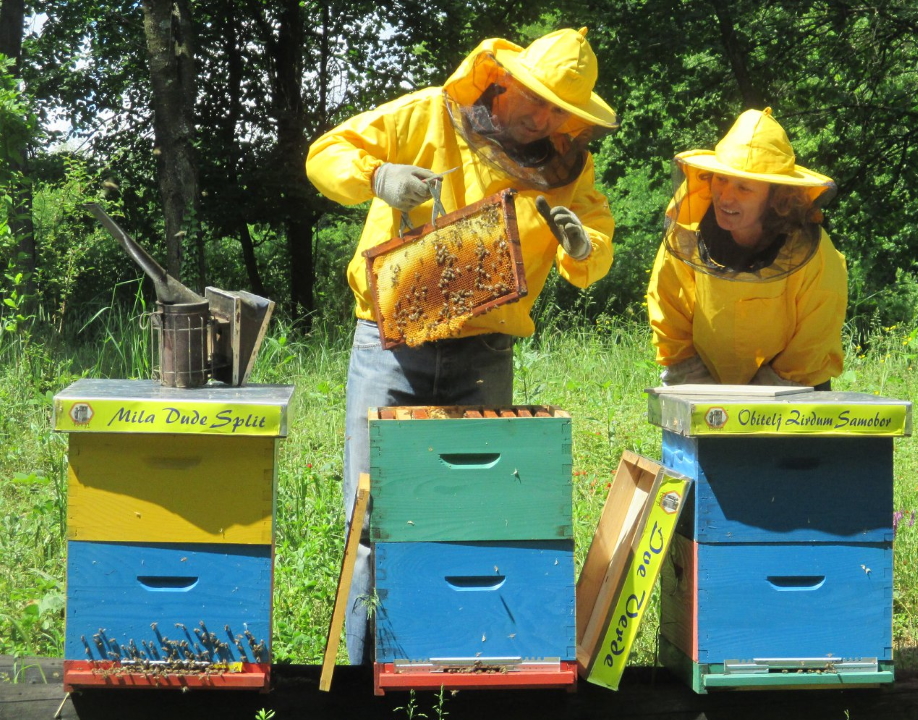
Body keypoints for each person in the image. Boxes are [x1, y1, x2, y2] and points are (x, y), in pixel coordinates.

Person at [305, 28, 617, 664]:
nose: (542, 116)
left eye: (560, 108)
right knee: (373, 515)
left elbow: (596, 236)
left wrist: (585, 247)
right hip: (392, 345)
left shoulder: (564, 165)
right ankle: (368, 673)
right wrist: (377, 175)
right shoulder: (426, 114)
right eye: (534, 97)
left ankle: (451, 665)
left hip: (485, 351)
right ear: (504, 79)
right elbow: (325, 154)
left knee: (474, 517)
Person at [646, 108, 847, 389]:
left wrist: (770, 389)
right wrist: (693, 377)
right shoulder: (687, 237)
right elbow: (669, 308)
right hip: (703, 382)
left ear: (775, 196)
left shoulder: (813, 251)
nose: (725, 196)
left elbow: (816, 331)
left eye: (744, 188)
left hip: (793, 389)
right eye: (722, 179)